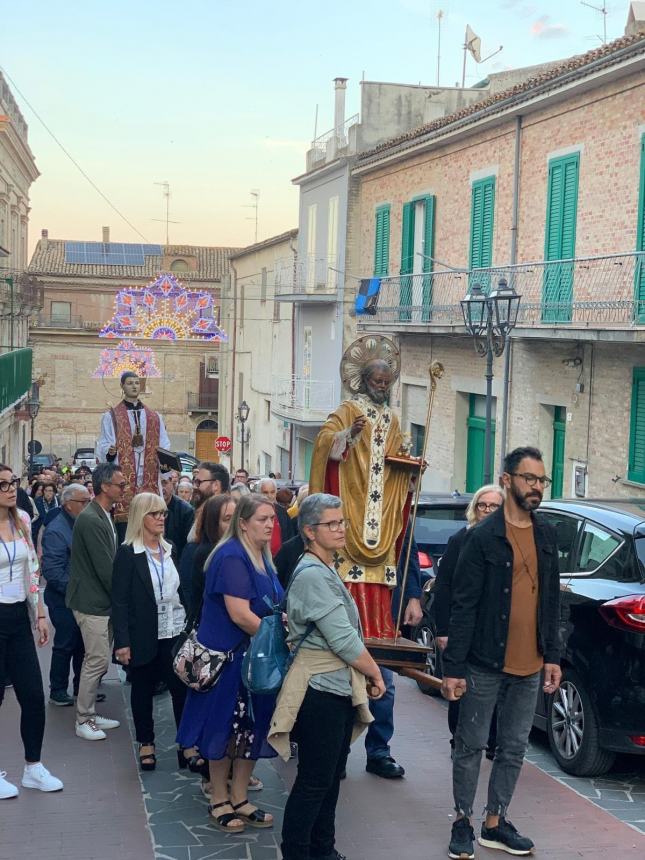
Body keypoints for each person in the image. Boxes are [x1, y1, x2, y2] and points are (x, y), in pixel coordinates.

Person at [442, 447, 562, 860]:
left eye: (542, 480)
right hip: (484, 663)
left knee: (513, 747)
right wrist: (453, 668)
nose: (537, 487)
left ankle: (496, 823)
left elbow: (551, 601)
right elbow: (463, 606)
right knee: (470, 745)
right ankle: (462, 821)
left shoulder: (545, 534)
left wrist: (553, 656)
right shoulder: (481, 537)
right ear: (508, 479)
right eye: (530, 479)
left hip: (531, 664)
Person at [271, 493, 386, 860]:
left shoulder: (323, 568)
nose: (339, 529)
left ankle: (324, 850)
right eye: (331, 524)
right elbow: (342, 638)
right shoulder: (312, 574)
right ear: (309, 531)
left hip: (336, 686)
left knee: (330, 778)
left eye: (342, 522)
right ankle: (299, 853)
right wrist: (374, 673)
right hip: (319, 690)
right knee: (314, 782)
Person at [177, 494, 283, 832]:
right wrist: (277, 642)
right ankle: (219, 797)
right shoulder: (231, 555)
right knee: (222, 732)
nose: (270, 524)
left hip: (255, 663)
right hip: (230, 662)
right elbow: (240, 614)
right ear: (243, 523)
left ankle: (240, 796)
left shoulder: (262, 555)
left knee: (249, 734)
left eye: (272, 519)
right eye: (262, 519)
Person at [309, 337, 411, 638]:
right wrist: (347, 434)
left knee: (381, 560)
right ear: (364, 381)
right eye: (378, 382)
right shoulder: (349, 408)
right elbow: (323, 441)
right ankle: (348, 627)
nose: (382, 387)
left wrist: (410, 467)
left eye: (386, 383)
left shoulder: (392, 418)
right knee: (347, 559)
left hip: (383, 505)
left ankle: (378, 626)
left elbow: (396, 457)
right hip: (353, 496)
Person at [111, 493, 187, 772]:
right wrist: (122, 642)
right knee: (142, 690)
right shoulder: (128, 553)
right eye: (154, 514)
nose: (161, 519)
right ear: (139, 518)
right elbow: (118, 600)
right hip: (142, 632)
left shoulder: (171, 550)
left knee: (181, 689)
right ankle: (146, 742)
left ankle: (186, 744)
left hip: (174, 630)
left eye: (163, 513)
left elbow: (181, 590)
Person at [0, 464, 63, 798]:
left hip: (18, 617)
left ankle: (33, 768)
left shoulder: (23, 520)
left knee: (34, 697)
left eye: (13, 482)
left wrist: (40, 613)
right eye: (3, 484)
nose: (11, 489)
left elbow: (33, 568)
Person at [433, 484, 505, 759]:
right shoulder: (460, 540)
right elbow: (444, 586)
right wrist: (443, 629)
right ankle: (459, 740)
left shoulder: (508, 542)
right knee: (460, 684)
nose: (486, 511)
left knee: (495, 687)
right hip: (463, 626)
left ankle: (493, 741)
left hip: (494, 629)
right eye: (482, 505)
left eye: (493, 506)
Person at [66, 462, 125, 741]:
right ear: (105, 487)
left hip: (101, 603)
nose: (123, 489)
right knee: (97, 660)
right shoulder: (90, 519)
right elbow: (106, 568)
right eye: (120, 484)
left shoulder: (102, 514)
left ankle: (89, 711)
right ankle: (84, 718)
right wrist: (124, 599)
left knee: (98, 661)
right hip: (92, 603)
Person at [96, 371, 171, 538]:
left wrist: (165, 463)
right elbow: (103, 443)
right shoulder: (111, 416)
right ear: (122, 386)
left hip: (148, 478)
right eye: (130, 383)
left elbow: (164, 445)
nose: (134, 386)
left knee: (147, 527)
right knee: (125, 534)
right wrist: (109, 452)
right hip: (124, 480)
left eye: (137, 383)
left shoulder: (154, 417)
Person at [41, 482, 92, 707]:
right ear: (69, 504)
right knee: (65, 644)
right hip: (63, 600)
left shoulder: (81, 523)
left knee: (83, 645)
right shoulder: (56, 529)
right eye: (84, 502)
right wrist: (77, 591)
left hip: (82, 598)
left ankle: (83, 689)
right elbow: (52, 571)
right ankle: (58, 689)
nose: (87, 505)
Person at [179, 461, 231, 609]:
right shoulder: (202, 509)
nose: (195, 486)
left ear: (216, 485)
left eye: (199, 482)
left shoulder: (221, 513)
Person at [189, 494, 236, 629]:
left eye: (236, 517)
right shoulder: (210, 552)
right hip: (214, 629)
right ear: (214, 523)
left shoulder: (233, 548)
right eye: (227, 519)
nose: (234, 524)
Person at [162, 475, 194, 561]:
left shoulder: (186, 511)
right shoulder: (148, 507)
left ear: (172, 485)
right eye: (158, 483)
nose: (162, 488)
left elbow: (188, 544)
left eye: (164, 483)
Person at [258, 477, 293, 556]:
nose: (269, 496)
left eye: (272, 492)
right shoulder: (253, 513)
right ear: (259, 493)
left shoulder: (282, 512)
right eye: (265, 492)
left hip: (281, 560)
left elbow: (289, 537)